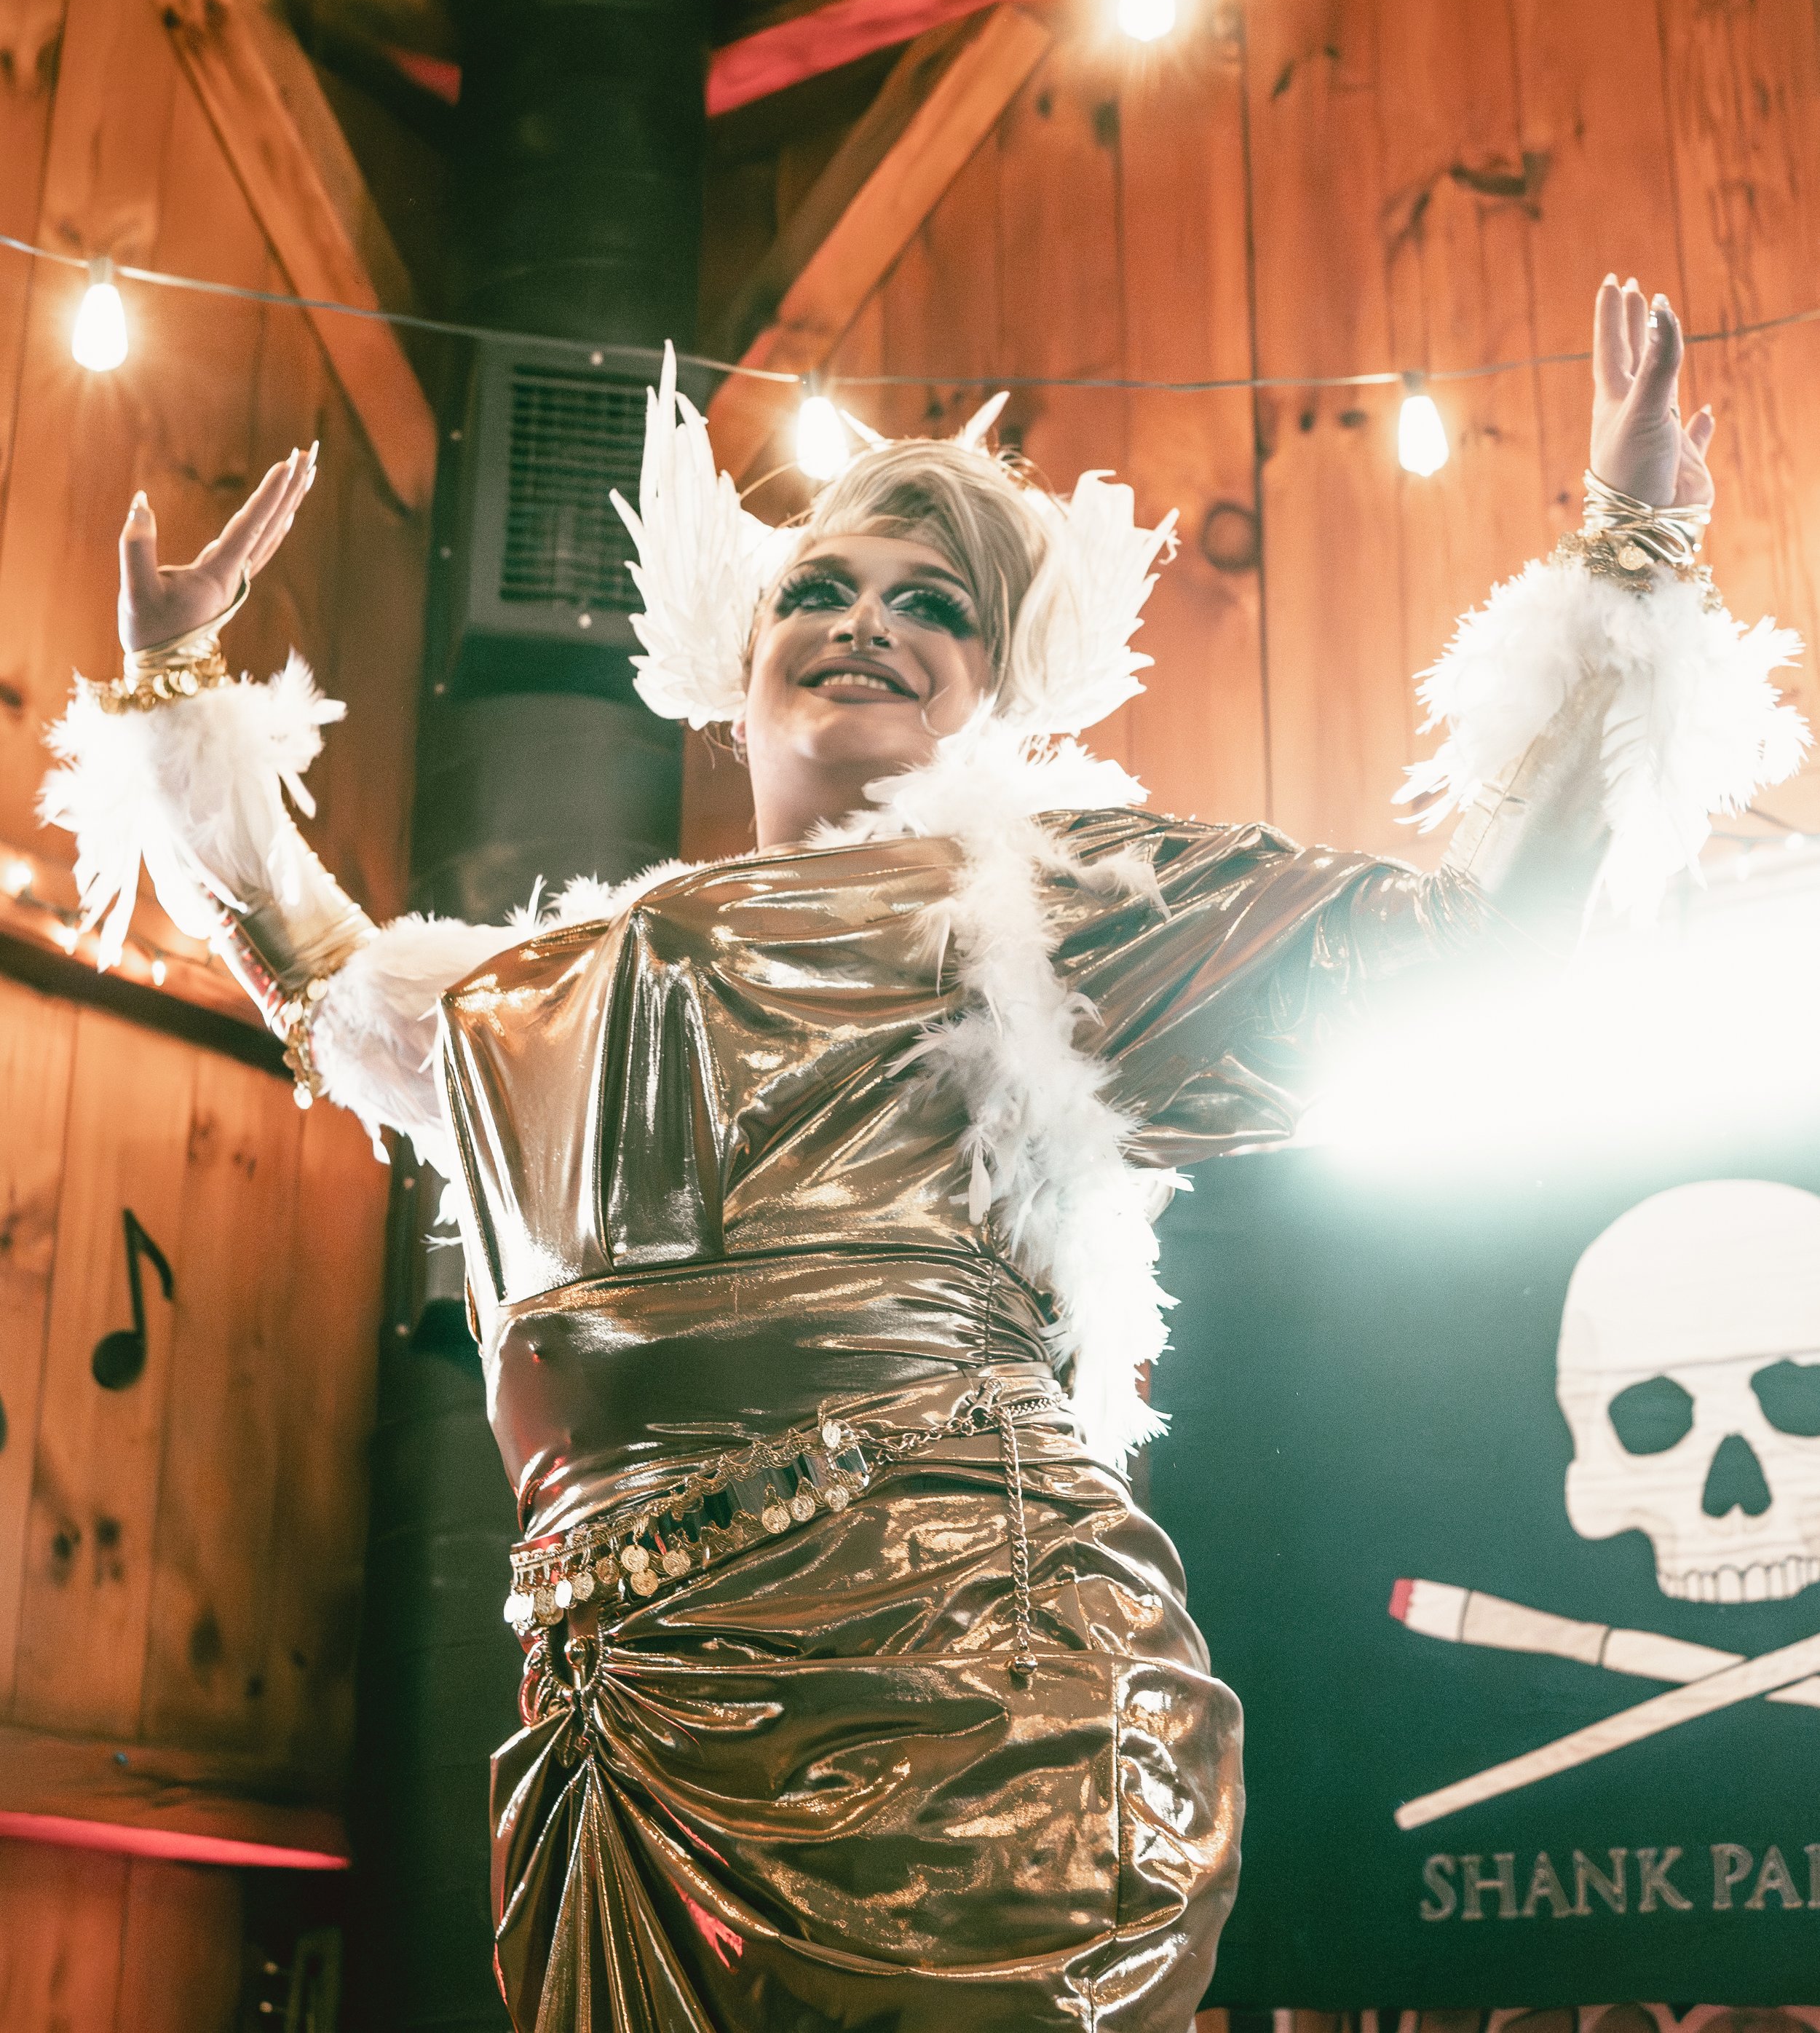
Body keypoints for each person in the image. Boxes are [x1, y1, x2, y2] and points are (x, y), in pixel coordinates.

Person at [41, 278, 1803, 2032]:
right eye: (817, 587)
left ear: (990, 691)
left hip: (966, 1709)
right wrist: (174, 701)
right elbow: (323, 977)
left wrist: (1630, 553)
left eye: (929, 606)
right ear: (736, 667)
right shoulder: (562, 989)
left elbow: (1469, 939)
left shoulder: (1060, 907)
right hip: (627, 1736)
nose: (863, 622)